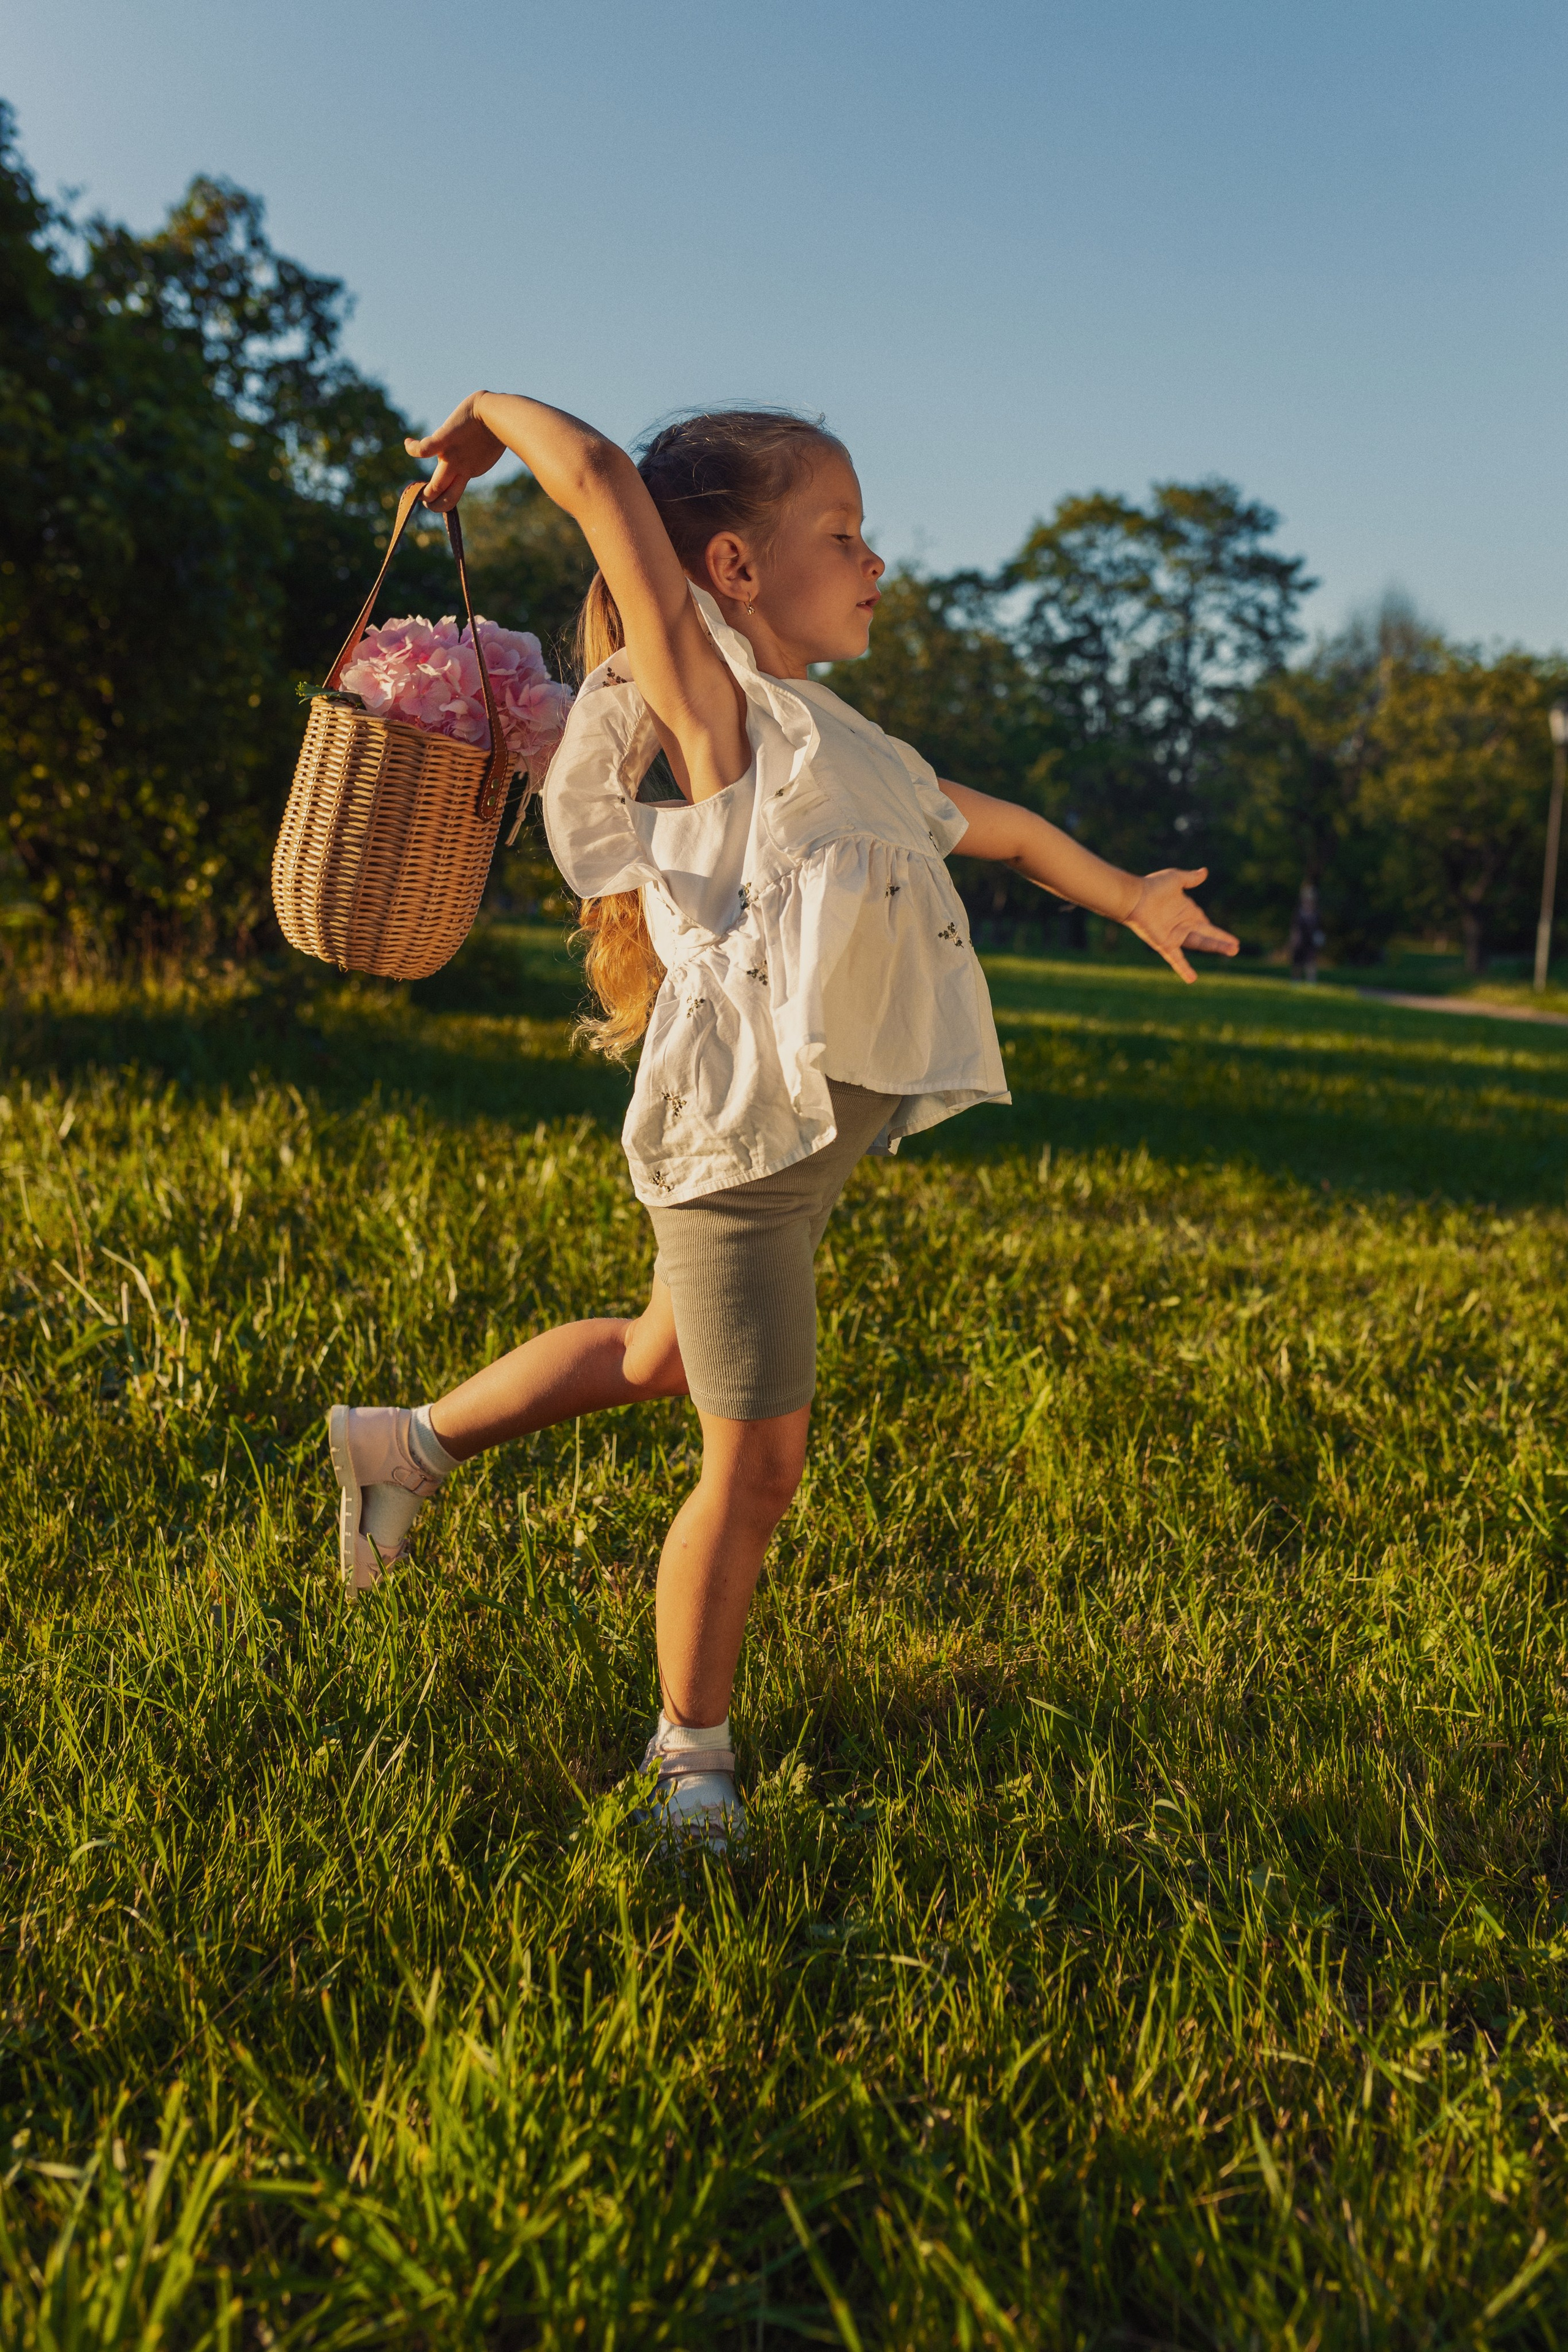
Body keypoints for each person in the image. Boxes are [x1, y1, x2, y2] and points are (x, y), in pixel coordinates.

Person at [328, 394, 1239, 1849]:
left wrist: (1130, 896)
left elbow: (989, 824)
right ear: (738, 570)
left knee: (649, 1359)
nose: (876, 561)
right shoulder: (712, 705)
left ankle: (403, 1443)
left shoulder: (842, 745)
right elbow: (607, 486)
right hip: (740, 1165)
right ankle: (689, 1762)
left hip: (793, 1160)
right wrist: (487, 421)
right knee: (754, 1461)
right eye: (845, 534)